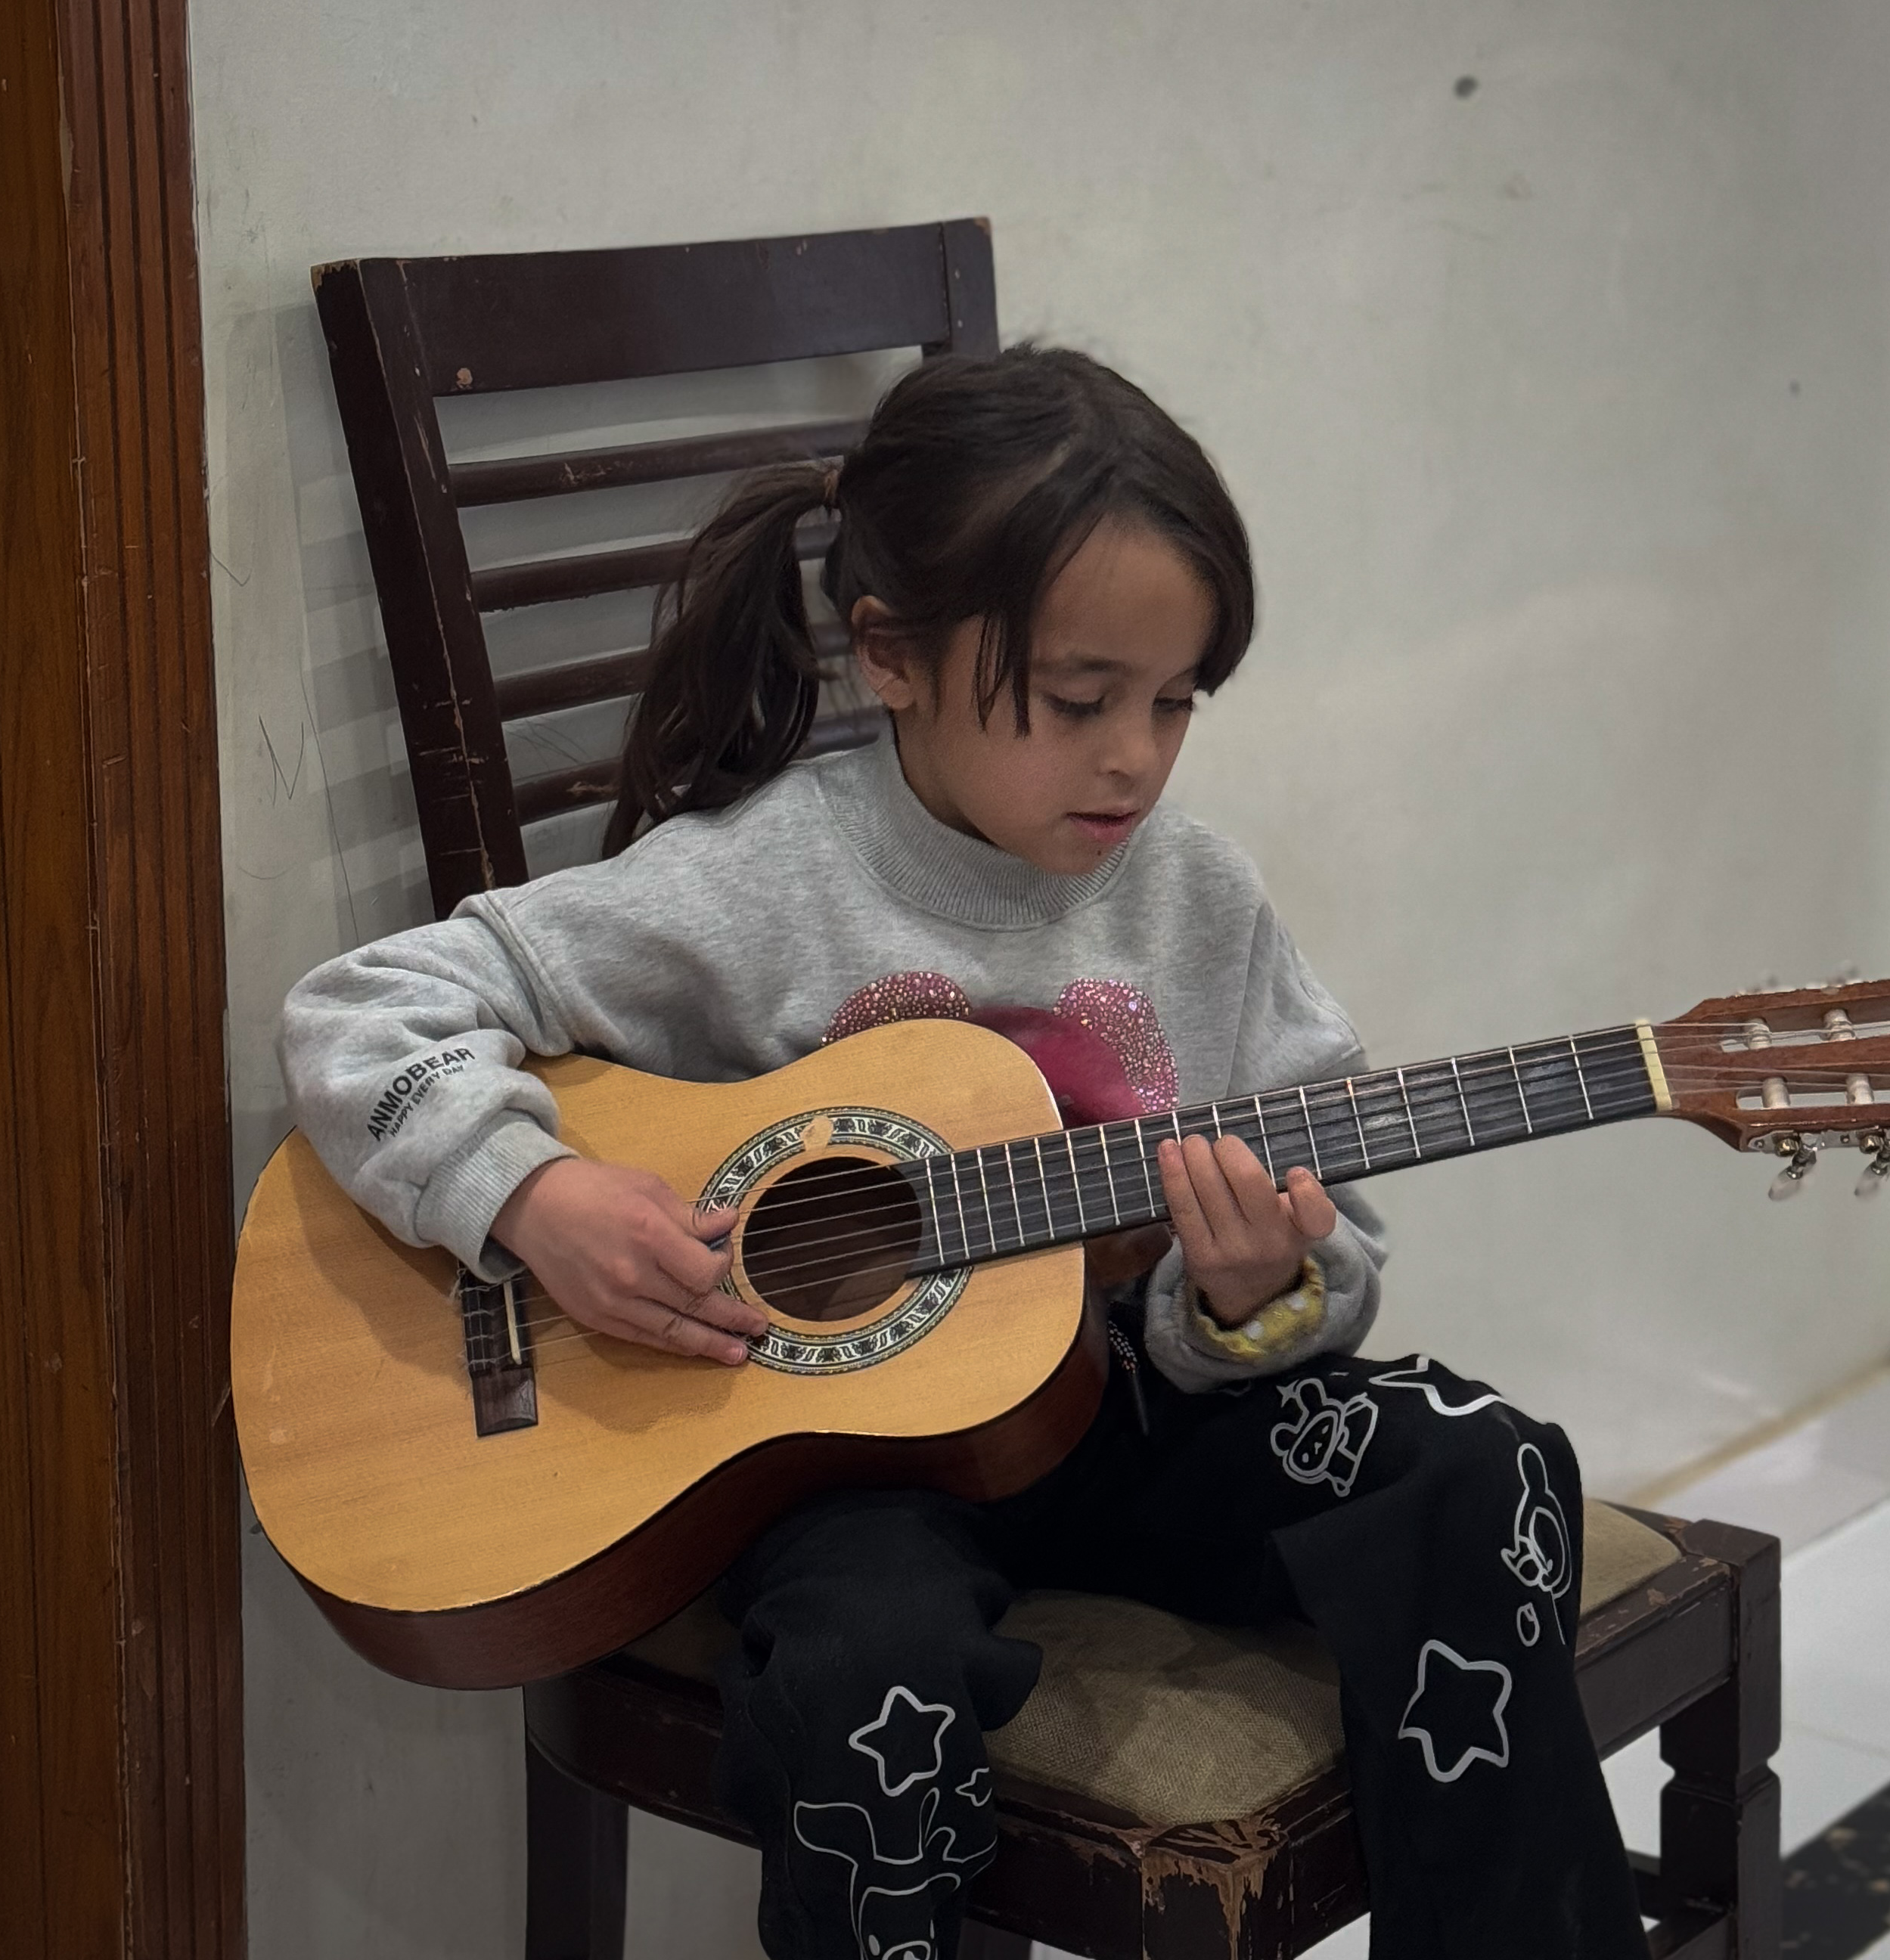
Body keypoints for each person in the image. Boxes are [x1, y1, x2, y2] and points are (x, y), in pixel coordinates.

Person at [281, 346, 1647, 1959]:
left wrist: (1254, 1295)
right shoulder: (759, 879)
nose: (1135, 757)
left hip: (1130, 1422)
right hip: (836, 1476)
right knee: (868, 1686)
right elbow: (360, 1008)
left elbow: (1326, 1241)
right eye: (1080, 701)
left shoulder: (1198, 900)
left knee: (1482, 1465)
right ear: (892, 657)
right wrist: (533, 1192)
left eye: (1175, 702)